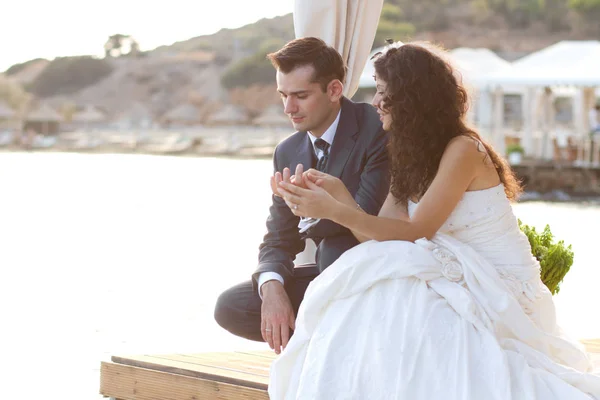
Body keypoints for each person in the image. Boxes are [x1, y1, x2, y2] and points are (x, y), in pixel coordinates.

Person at [271, 41, 600, 399]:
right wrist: (338, 194)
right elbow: (379, 239)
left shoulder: (463, 149)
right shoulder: (407, 154)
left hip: (499, 282)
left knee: (402, 292)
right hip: (455, 269)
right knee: (377, 271)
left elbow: (416, 231)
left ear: (413, 98)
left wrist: (334, 210)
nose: (377, 103)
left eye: (385, 94)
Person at [213, 37, 389, 354]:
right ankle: (329, 333)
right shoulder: (288, 151)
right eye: (283, 95)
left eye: (300, 96)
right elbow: (278, 238)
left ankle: (332, 340)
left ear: (334, 90)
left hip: (373, 272)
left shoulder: (375, 127)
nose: (288, 108)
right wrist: (272, 288)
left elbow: (371, 218)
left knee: (334, 248)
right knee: (231, 306)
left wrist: (320, 206)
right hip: (325, 277)